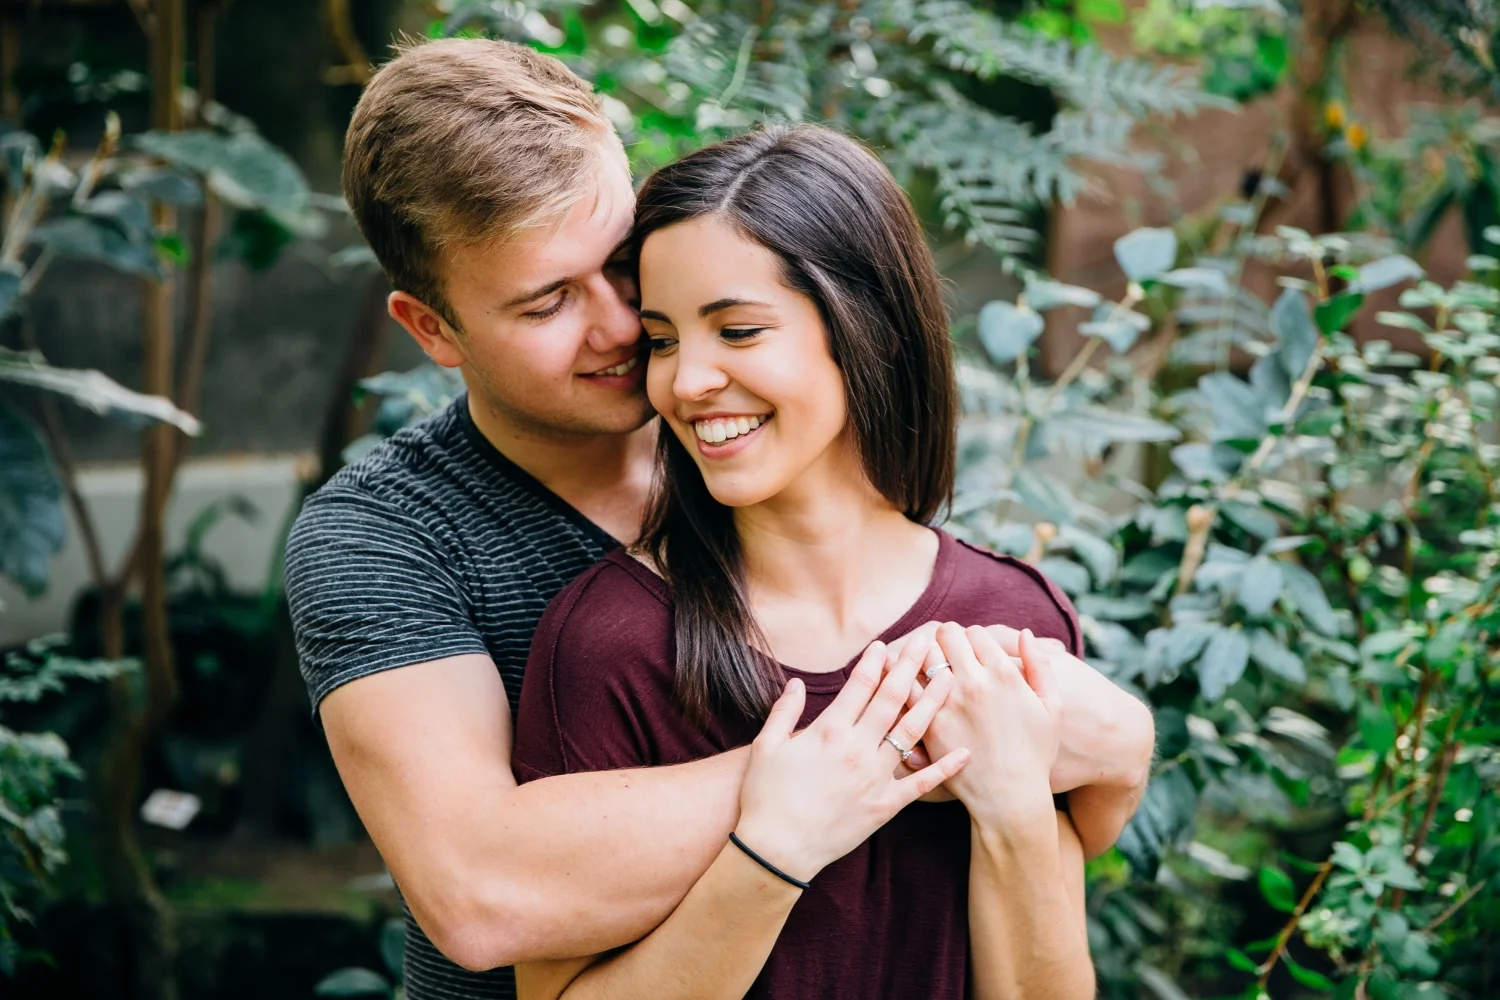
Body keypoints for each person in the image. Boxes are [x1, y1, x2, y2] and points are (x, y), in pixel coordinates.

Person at [285, 36, 1154, 1000]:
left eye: (621, 267)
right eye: (547, 305)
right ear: (432, 329)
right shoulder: (387, 540)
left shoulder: (772, 444)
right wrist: (886, 745)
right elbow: (484, 896)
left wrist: (1116, 740)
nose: (623, 328)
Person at [510, 124, 1094, 1000]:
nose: (686, 381)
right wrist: (772, 853)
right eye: (664, 339)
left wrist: (1010, 805)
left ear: (875, 331)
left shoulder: (1012, 621)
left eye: (737, 331)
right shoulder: (612, 642)